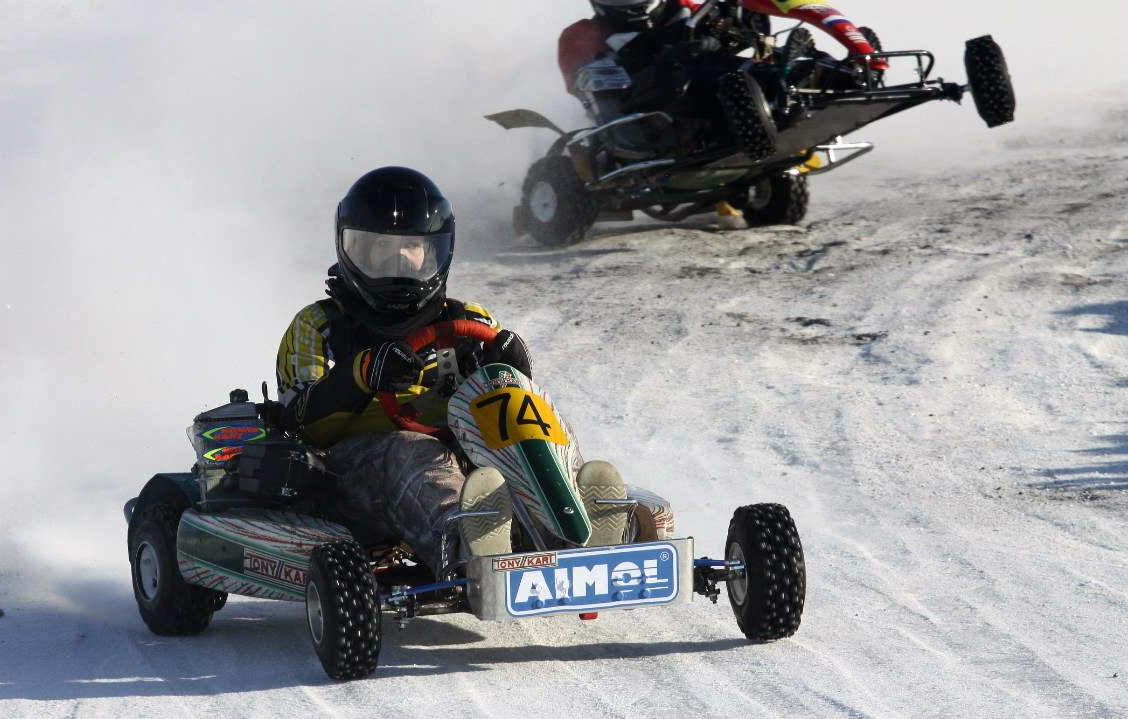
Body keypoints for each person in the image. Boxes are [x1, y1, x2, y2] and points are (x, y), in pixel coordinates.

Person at [275, 166, 622, 573]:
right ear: (353, 248)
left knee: (529, 416)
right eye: (383, 244)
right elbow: (299, 422)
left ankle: (576, 525)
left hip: (466, 457)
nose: (400, 257)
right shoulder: (320, 325)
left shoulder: (469, 319)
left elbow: (505, 400)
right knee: (414, 451)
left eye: (412, 245)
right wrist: (363, 373)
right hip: (351, 475)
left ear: (435, 250)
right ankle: (467, 549)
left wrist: (513, 370)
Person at [558, 0, 886, 160]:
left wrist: (726, 28)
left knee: (740, 49)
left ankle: (835, 70)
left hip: (719, 93)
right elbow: (590, 87)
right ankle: (783, 81)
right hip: (648, 114)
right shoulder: (582, 35)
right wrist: (666, 45)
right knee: (691, 64)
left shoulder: (686, 9)